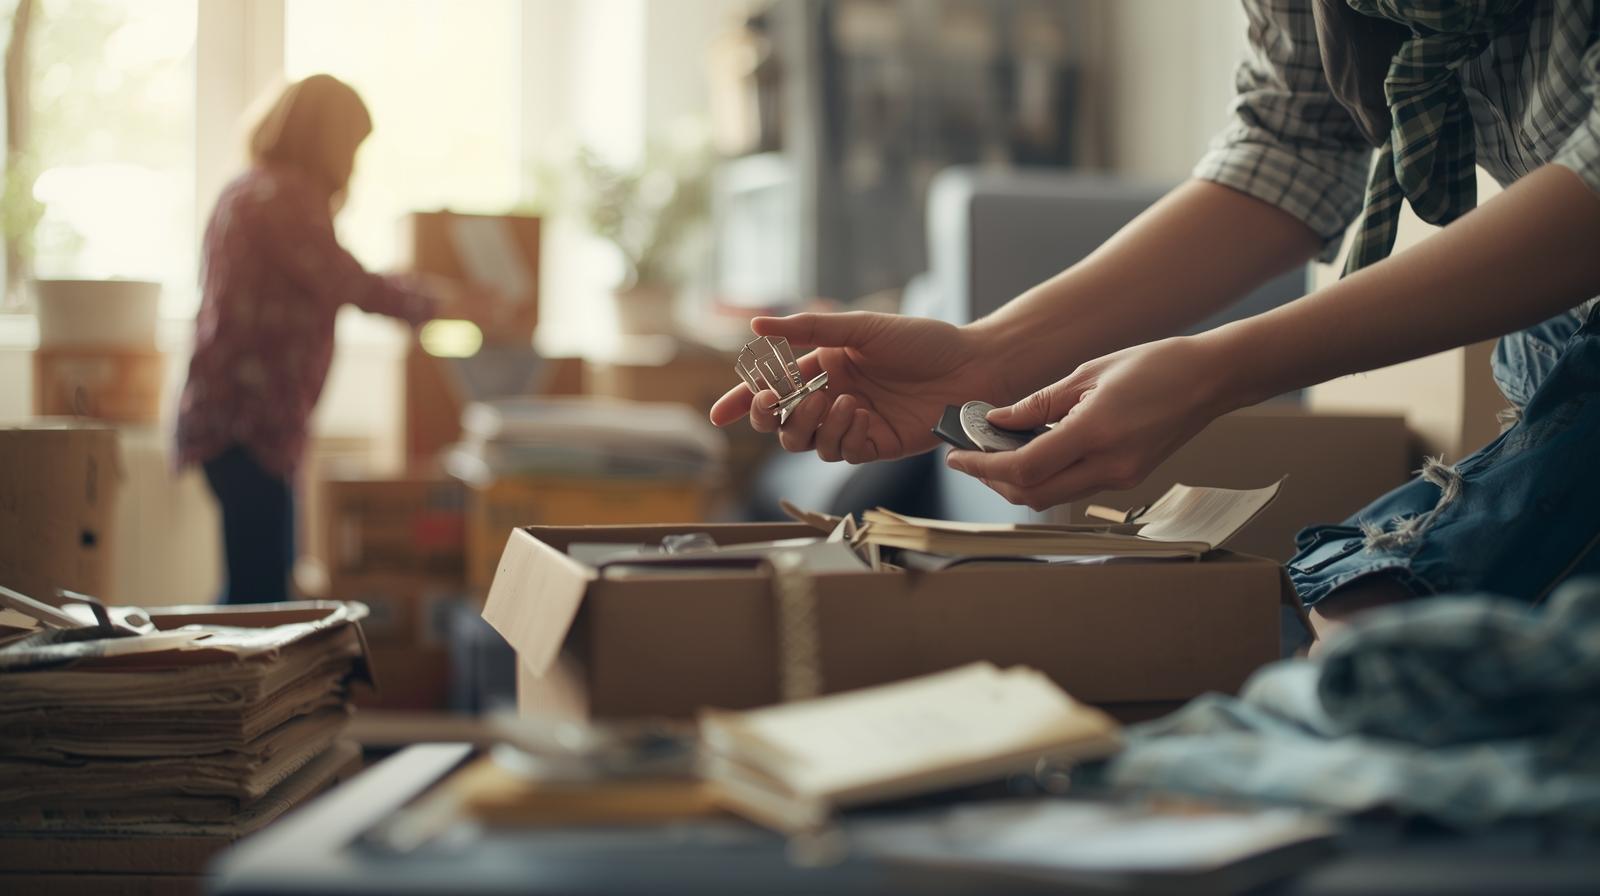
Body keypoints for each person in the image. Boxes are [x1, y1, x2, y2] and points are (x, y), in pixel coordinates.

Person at [712, 1, 1600, 646]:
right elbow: (1290, 140)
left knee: (1372, 624)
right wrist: (985, 357)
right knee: (1366, 630)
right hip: (1557, 343)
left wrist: (1214, 372)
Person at [176, 74, 480, 604]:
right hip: (248, 426)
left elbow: (333, 276)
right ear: (327, 140)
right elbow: (349, 282)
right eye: (352, 146)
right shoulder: (280, 196)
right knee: (260, 598)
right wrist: (452, 303)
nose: (354, 163)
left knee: (256, 585)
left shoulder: (251, 187)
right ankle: (224, 688)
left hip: (238, 423)